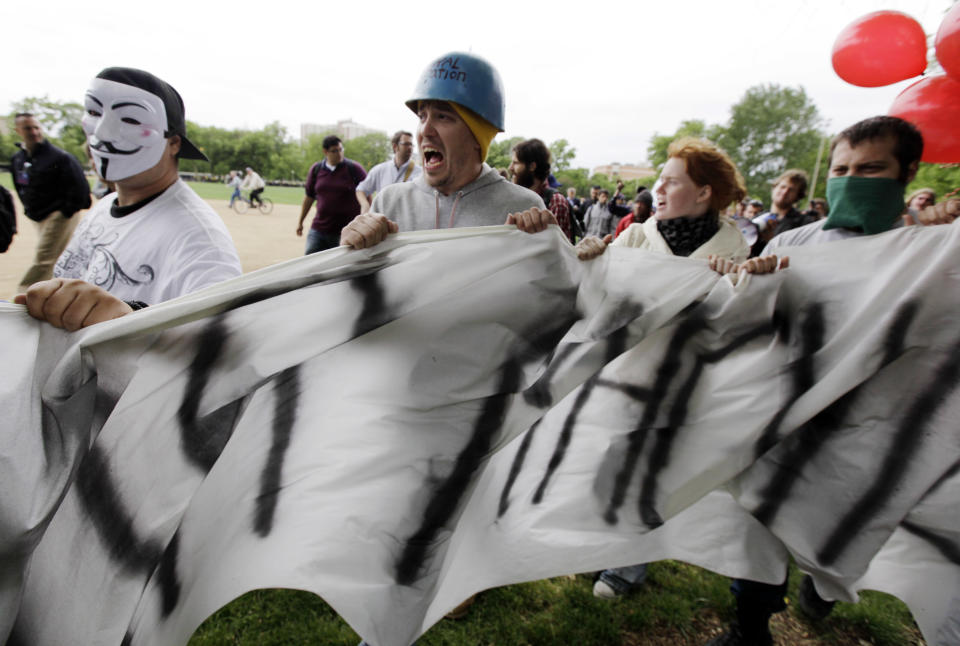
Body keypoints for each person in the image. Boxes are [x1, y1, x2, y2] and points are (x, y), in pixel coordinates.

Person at [707, 115, 957, 646]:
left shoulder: (930, 248)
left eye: (871, 169)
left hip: (874, 420)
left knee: (844, 521)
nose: (850, 179)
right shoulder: (800, 239)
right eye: (841, 168)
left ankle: (824, 581)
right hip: (788, 411)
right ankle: (750, 627)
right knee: (757, 522)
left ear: (907, 172)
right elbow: (752, 322)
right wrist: (749, 285)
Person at [576, 136, 783, 601]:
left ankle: (625, 568)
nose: (659, 190)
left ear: (704, 192)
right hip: (624, 375)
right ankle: (597, 549)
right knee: (608, 464)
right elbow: (596, 302)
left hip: (685, 384)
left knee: (649, 475)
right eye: (659, 181)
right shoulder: (634, 235)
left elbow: (734, 326)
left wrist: (742, 286)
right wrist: (591, 259)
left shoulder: (733, 249)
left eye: (671, 182)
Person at [15, 66, 242, 329]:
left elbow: (220, 337)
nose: (102, 133)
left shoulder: (200, 240)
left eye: (131, 120)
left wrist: (130, 317)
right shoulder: (105, 207)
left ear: (174, 143)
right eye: (93, 112)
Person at [339, 51, 554, 251]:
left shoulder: (523, 208)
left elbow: (541, 288)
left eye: (443, 117)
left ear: (479, 135)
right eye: (423, 116)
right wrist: (350, 252)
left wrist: (561, 252)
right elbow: (362, 288)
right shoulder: (390, 203)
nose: (425, 131)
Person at [10, 112, 92, 292]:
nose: (33, 131)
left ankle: (23, 296)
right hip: (38, 216)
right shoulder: (18, 159)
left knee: (44, 258)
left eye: (36, 127)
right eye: (28, 128)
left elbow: (81, 190)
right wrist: (29, 209)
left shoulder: (59, 157)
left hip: (58, 216)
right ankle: (66, 291)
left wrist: (64, 212)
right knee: (60, 256)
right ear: (18, 130)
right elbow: (19, 184)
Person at [297, 135, 367, 254]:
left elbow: (367, 195)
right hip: (319, 230)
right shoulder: (316, 169)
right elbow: (309, 197)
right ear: (325, 152)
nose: (339, 153)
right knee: (310, 264)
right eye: (334, 151)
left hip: (345, 231)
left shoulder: (354, 168)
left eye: (341, 149)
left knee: (341, 268)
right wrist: (300, 222)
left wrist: (362, 224)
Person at [509, 138, 573, 241]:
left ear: (532, 166)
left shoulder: (556, 201)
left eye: (516, 163)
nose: (510, 168)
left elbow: (556, 246)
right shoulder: (514, 197)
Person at [355, 131, 421, 213]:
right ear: (395, 146)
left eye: (411, 144)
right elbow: (361, 189)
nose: (410, 147)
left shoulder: (420, 173)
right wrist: (365, 205)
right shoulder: (379, 170)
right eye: (406, 144)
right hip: (383, 222)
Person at [751, 169, 816, 249]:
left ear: (798, 196)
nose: (785, 192)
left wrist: (771, 240)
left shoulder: (804, 223)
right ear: (774, 187)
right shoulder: (757, 218)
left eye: (791, 190)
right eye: (783, 187)